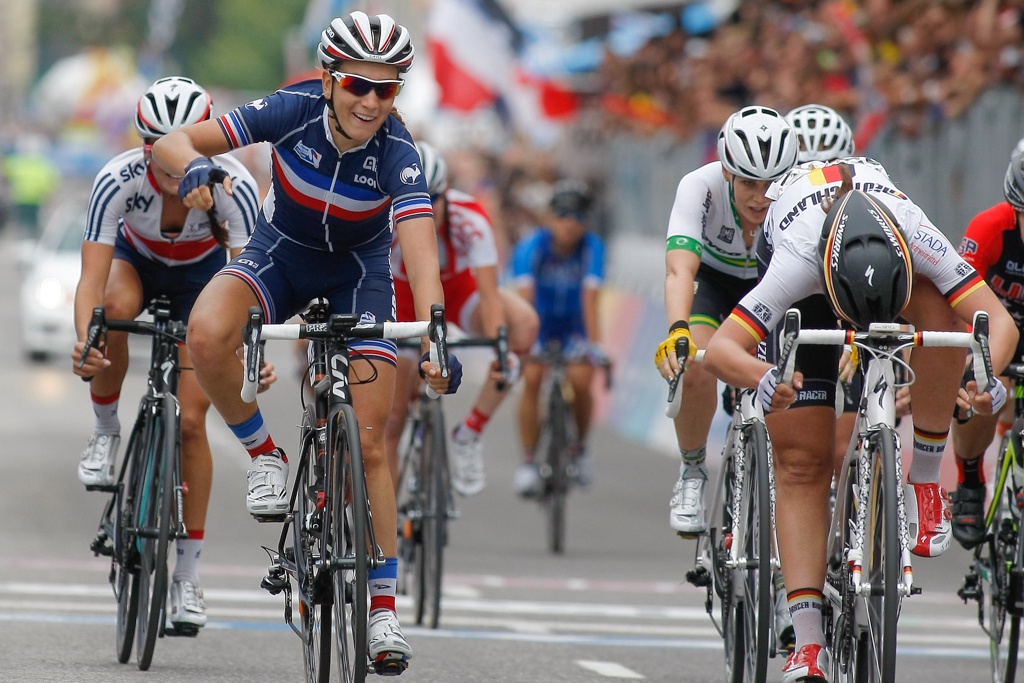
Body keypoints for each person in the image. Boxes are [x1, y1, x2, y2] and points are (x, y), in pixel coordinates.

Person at [151, 12, 462, 671]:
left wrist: (436, 333)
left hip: (359, 278)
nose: (372, 102)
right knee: (206, 336)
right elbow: (174, 143)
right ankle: (266, 452)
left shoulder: (399, 154)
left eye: (388, 90)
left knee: (372, 442)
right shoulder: (289, 109)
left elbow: (420, 252)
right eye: (358, 85)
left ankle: (382, 612)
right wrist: (194, 172)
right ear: (328, 79)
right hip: (280, 257)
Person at [703, 158, 1018, 682]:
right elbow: (720, 350)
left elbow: (997, 322)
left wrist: (984, 377)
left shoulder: (916, 231)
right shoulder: (795, 259)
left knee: (940, 316)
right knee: (802, 462)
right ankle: (807, 643)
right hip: (811, 289)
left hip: (888, 259)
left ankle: (923, 478)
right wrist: (763, 375)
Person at [72, 76, 262, 632]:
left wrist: (253, 348)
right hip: (137, 262)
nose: (175, 168)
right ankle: (106, 430)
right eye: (159, 152)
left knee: (194, 424)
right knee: (114, 307)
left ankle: (187, 579)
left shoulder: (234, 186)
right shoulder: (118, 179)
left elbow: (251, 283)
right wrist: (86, 338)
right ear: (143, 144)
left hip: (204, 276)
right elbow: (91, 278)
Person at [654, 105, 797, 538]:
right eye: (749, 182)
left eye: (772, 184)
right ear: (727, 173)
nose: (761, 196)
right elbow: (680, 270)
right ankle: (693, 472)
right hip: (714, 284)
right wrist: (678, 331)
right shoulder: (699, 186)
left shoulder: (801, 192)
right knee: (696, 365)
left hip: (772, 286)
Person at [385, 141, 537, 497]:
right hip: (404, 306)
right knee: (392, 422)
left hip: (458, 295)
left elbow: (489, 294)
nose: (424, 210)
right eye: (413, 200)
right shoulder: (382, 220)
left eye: (432, 200)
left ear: (446, 194)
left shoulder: (470, 218)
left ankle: (469, 433)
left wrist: (500, 347)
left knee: (524, 325)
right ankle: (384, 532)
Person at [509, 179, 606, 496]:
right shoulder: (531, 246)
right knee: (533, 378)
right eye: (563, 215)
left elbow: (591, 300)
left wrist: (594, 346)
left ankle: (579, 448)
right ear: (550, 218)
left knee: (581, 381)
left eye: (578, 216)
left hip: (574, 328)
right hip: (540, 324)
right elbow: (524, 298)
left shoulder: (592, 247)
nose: (570, 223)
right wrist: (525, 343)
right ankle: (527, 460)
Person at [949, 146, 1024, 549]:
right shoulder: (989, 227)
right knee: (978, 384)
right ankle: (970, 480)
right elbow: (959, 294)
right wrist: (968, 362)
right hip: (988, 325)